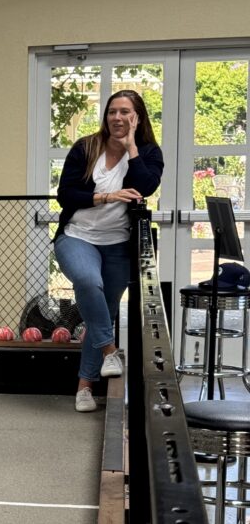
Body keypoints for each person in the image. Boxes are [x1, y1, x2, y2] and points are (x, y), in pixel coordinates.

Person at [53, 90, 163, 412]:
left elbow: (145, 186)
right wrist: (106, 197)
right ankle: (110, 351)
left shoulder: (148, 152)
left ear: (137, 117)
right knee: (88, 282)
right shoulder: (86, 147)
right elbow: (65, 194)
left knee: (102, 310)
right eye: (112, 111)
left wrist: (131, 148)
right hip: (77, 236)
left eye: (125, 112)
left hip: (118, 244)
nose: (117, 117)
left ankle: (84, 388)